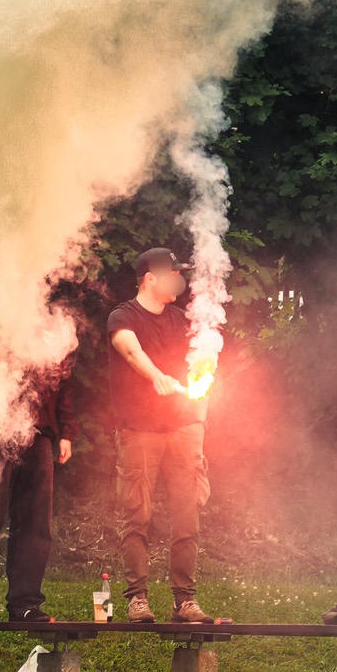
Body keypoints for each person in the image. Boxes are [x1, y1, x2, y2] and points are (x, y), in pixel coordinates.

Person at [106, 247, 222, 626]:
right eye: (172, 274)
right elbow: (129, 349)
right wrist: (155, 375)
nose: (178, 280)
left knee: (187, 516)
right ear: (150, 278)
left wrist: (199, 423)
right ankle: (137, 598)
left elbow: (203, 370)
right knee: (137, 514)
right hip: (139, 430)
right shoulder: (123, 316)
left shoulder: (181, 321)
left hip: (183, 430)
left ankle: (184, 601)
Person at [0, 361, 75, 627]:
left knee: (36, 521)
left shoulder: (53, 335)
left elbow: (63, 381)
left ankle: (25, 603)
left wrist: (67, 430)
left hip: (40, 434)